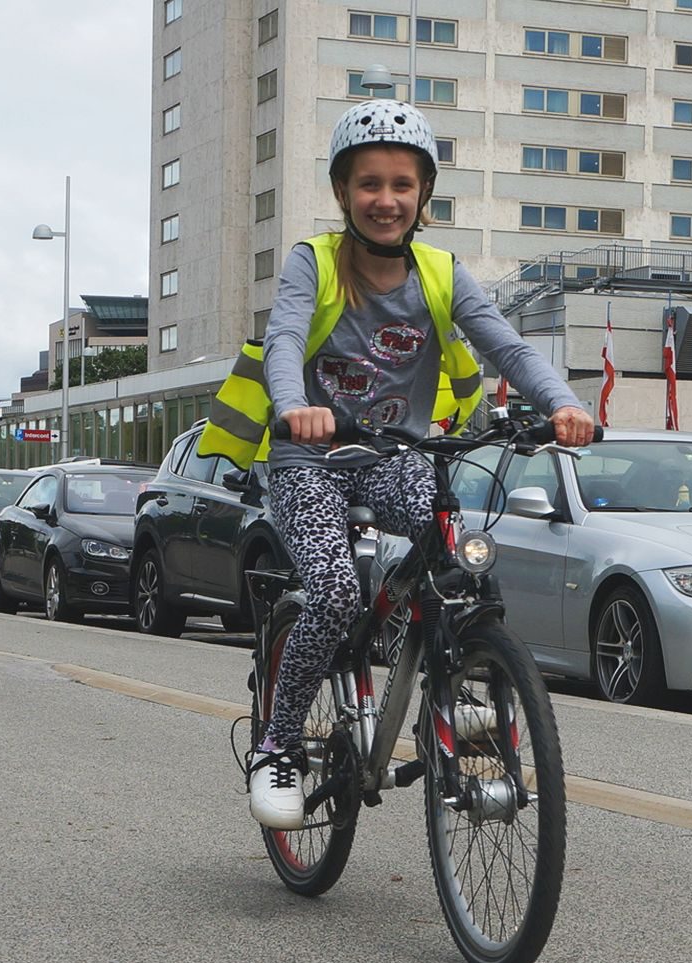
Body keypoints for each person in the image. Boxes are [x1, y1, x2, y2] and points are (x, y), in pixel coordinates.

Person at [226, 97, 595, 829]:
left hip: (396, 455)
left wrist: (563, 404)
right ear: (342, 193)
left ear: (424, 194)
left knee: (459, 563)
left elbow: (508, 349)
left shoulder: (440, 271)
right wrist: (296, 407)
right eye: (369, 184)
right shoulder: (315, 262)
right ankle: (278, 746)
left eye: (402, 184)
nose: (386, 200)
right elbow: (286, 341)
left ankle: (459, 686)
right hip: (311, 458)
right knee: (331, 592)